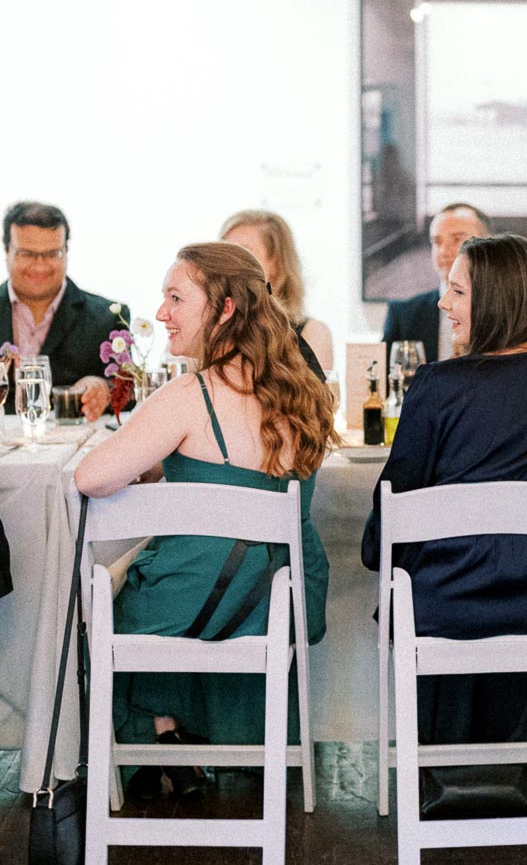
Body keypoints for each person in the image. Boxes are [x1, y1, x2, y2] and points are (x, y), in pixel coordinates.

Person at [363, 233, 527, 811]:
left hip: (444, 611)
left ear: (498, 299)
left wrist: (385, 561)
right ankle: (505, 768)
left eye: (457, 291)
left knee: (410, 586)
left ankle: (449, 771)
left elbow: (391, 517)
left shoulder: (437, 387)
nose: (441, 304)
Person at [75, 242, 336, 797]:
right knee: (171, 569)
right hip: (280, 598)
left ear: (224, 311)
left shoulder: (188, 395)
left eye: (175, 298)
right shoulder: (306, 391)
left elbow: (90, 479)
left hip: (197, 599)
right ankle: (179, 739)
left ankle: (155, 741)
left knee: (110, 597)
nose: (162, 313)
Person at [1, 200, 127, 421]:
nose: (39, 265)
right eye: (27, 254)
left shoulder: (108, 317)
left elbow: (129, 388)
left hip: (77, 451)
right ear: (6, 249)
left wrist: (102, 389)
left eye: (52, 254)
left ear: (66, 251)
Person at [219, 209, 332, 375]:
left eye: (243, 253)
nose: (228, 263)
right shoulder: (206, 325)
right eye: (223, 252)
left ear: (276, 263)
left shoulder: (312, 333)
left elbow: (318, 398)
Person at [382, 203, 491, 364]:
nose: (444, 251)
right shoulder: (404, 316)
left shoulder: (511, 313)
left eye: (458, 240)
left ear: (488, 245)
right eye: (437, 242)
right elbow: (384, 383)